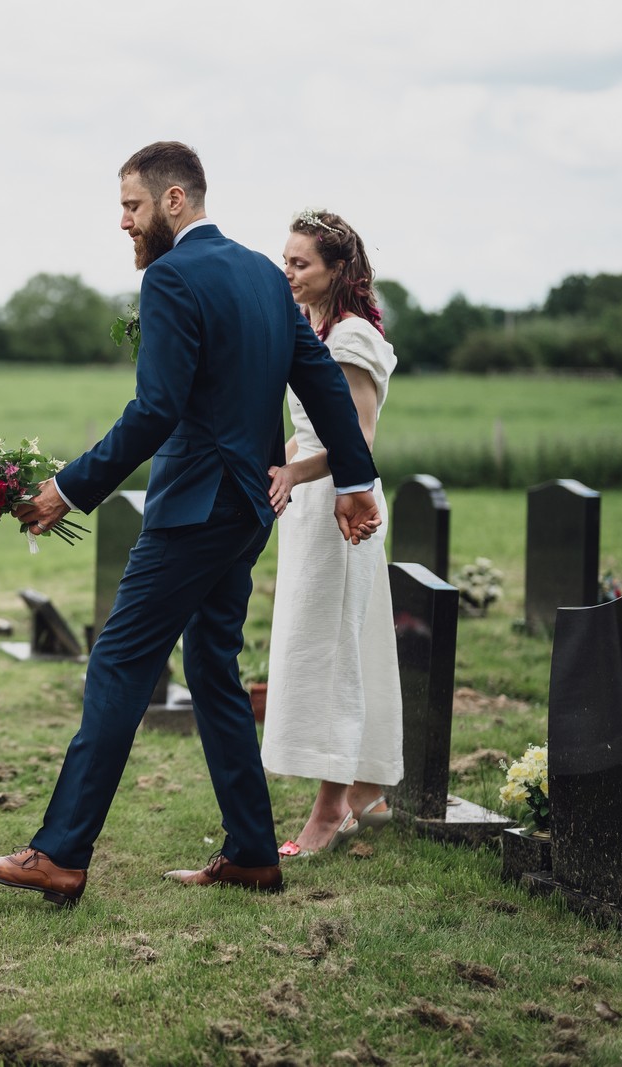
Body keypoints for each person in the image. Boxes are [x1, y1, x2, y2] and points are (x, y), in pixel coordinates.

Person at [0, 142, 381, 905]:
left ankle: (59, 852)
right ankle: (253, 851)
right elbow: (316, 380)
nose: (123, 222)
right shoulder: (259, 271)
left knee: (117, 661)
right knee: (214, 669)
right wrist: (355, 479)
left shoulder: (173, 276)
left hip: (193, 508)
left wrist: (67, 488)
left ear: (175, 199)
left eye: (132, 206)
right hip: (247, 508)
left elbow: (157, 409)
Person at [260, 209, 403, 857]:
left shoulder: (350, 339)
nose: (288, 273)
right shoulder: (312, 328)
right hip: (312, 510)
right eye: (285, 260)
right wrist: (273, 464)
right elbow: (312, 429)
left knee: (334, 652)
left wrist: (292, 470)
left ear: (339, 269)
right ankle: (368, 790)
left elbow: (358, 444)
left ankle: (329, 811)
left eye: (301, 263)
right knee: (343, 642)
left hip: (346, 509)